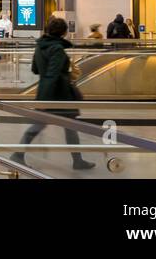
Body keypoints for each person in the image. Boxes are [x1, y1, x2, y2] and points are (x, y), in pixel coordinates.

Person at [10, 17, 95, 171]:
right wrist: (48, 100)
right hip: (58, 94)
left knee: (65, 126)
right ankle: (77, 160)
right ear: (63, 32)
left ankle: (77, 159)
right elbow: (54, 73)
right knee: (66, 126)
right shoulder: (57, 49)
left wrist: (43, 97)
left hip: (45, 91)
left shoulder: (40, 46)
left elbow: (35, 69)